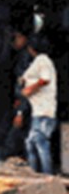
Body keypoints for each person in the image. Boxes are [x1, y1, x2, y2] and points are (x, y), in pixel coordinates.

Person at [20, 33, 58, 174]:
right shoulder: (39, 61)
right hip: (39, 111)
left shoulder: (43, 60)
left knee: (40, 142)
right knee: (31, 143)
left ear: (31, 48)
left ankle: (46, 175)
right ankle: (35, 172)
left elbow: (45, 79)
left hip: (44, 112)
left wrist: (30, 88)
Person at [5, 29, 33, 158]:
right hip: (24, 102)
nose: (14, 42)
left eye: (16, 38)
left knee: (20, 137)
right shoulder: (22, 56)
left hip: (28, 105)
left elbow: (27, 86)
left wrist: (20, 112)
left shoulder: (27, 59)